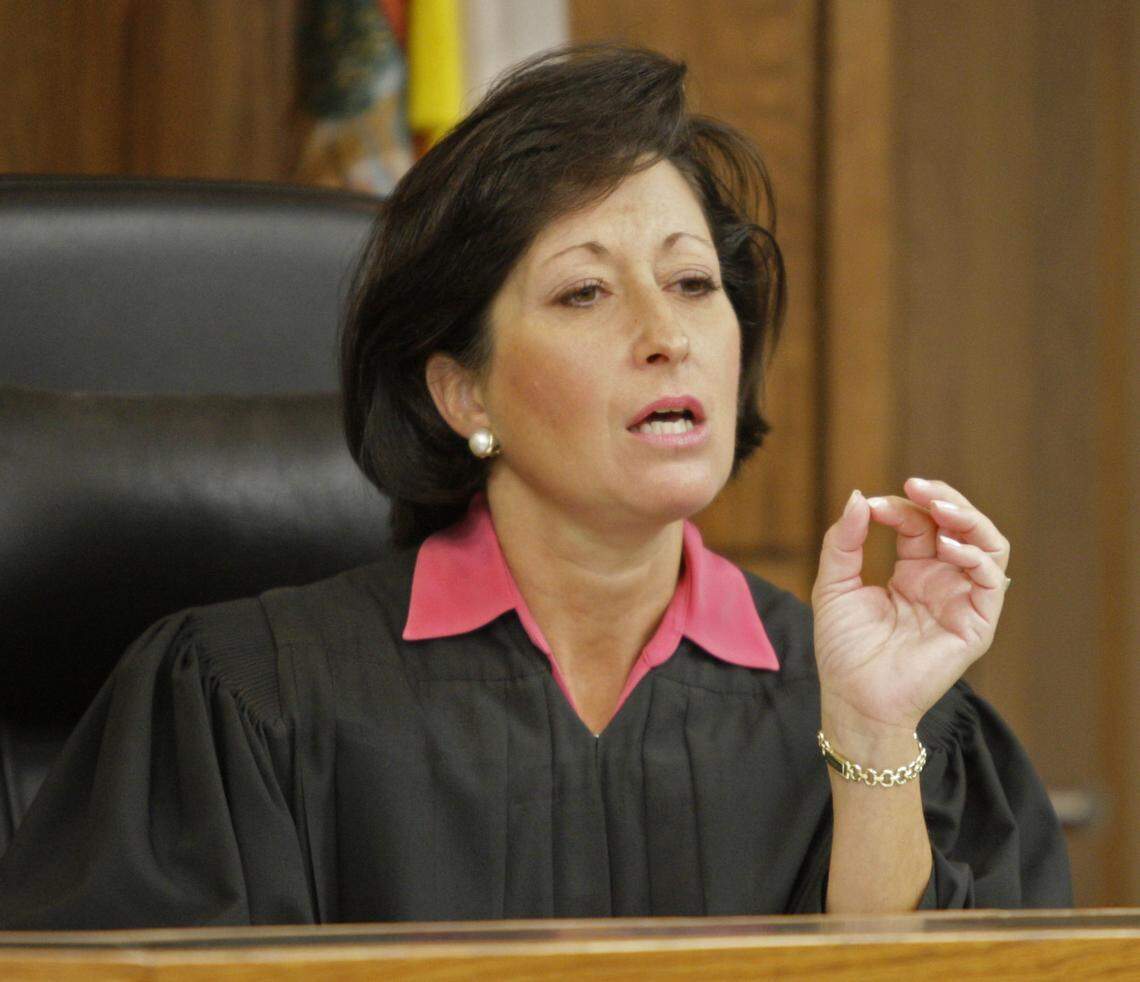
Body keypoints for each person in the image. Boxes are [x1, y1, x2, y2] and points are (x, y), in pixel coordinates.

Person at [0, 44, 1070, 928]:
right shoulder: (248, 701)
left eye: (694, 282)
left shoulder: (882, 712)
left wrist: (874, 742)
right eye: (585, 292)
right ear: (464, 391)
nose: (668, 335)